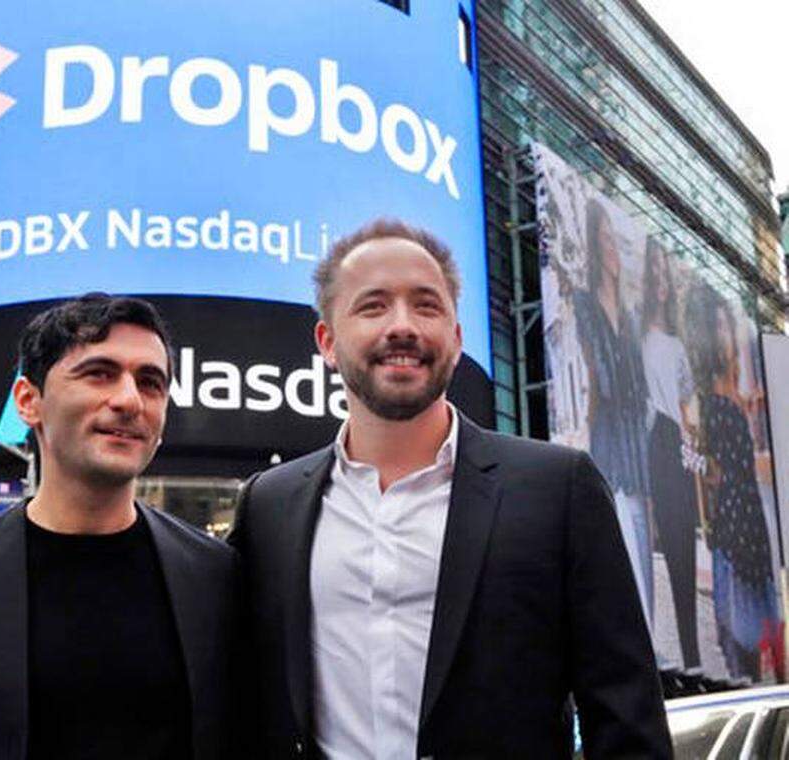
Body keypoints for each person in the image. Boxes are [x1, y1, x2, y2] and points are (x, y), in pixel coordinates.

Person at [229, 218, 671, 758]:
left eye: (427, 306)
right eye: (372, 306)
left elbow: (626, 715)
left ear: (456, 338)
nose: (403, 326)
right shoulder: (270, 506)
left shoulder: (558, 489)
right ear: (327, 340)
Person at [0, 294, 240, 759]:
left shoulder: (217, 577)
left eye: (150, 383)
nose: (129, 400)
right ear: (29, 400)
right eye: (99, 373)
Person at [690, 287, 782, 682]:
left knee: (765, 635)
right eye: (724, 327)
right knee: (743, 643)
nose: (730, 336)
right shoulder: (709, 404)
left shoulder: (732, 398)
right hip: (734, 531)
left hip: (752, 529)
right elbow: (703, 468)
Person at [572, 199, 654, 630]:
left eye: (614, 240)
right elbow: (589, 374)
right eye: (602, 238)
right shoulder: (584, 304)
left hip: (634, 438)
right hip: (606, 435)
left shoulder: (630, 314)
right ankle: (629, 632)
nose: (610, 248)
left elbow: (640, 387)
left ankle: (648, 639)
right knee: (616, 534)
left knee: (640, 535)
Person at [641, 238, 700, 669]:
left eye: (665, 269)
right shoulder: (635, 337)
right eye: (653, 269)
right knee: (648, 549)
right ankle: (661, 657)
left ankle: (691, 656)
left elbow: (688, 405)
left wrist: (690, 443)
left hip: (672, 441)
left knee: (681, 549)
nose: (660, 278)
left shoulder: (676, 346)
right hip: (647, 440)